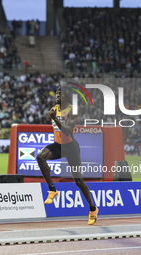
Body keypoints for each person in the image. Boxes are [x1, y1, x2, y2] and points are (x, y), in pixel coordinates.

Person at [36, 86, 98, 225]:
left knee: (78, 181)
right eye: (57, 94)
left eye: (60, 94)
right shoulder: (54, 109)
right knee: (40, 157)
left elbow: (68, 131)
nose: (57, 97)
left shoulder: (72, 110)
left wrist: (54, 119)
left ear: (67, 96)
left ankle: (92, 208)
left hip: (70, 147)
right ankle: (52, 190)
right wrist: (53, 116)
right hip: (58, 145)